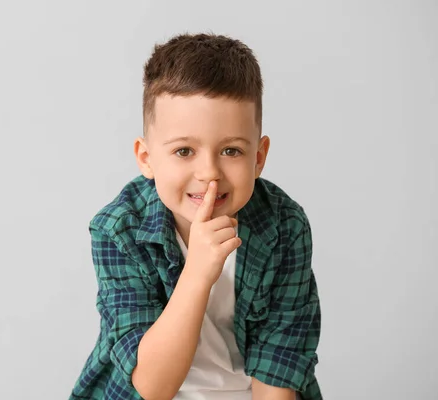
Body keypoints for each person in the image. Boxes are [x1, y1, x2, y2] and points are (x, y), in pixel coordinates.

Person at [69, 32, 322, 400]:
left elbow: (279, 366)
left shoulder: (285, 226)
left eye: (231, 151)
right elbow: (151, 387)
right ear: (147, 158)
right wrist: (198, 273)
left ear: (259, 157)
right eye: (184, 151)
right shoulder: (118, 229)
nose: (209, 173)